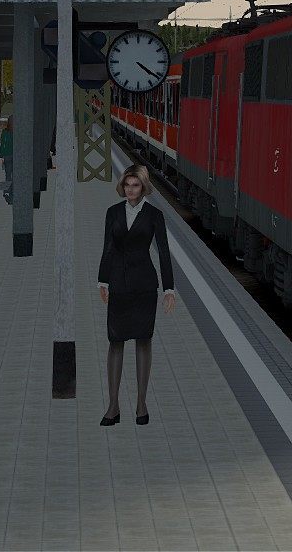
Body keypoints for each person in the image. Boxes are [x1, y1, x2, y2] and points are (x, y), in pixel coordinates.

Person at [96, 165, 176, 426]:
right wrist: (102, 280)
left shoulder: (154, 215)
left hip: (144, 286)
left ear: (143, 187)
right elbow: (108, 248)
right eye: (127, 185)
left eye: (135, 185)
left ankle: (142, 403)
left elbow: (164, 253)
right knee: (115, 341)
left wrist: (169, 290)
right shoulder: (112, 213)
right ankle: (113, 406)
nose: (130, 190)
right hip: (118, 285)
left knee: (143, 340)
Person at [0, 117, 14, 204]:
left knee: (8, 175)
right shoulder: (18, 131)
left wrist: (1, 156)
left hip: (7, 155)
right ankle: (14, 191)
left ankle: (7, 191)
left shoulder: (4, 131)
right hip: (16, 156)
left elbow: (3, 144)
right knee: (15, 175)